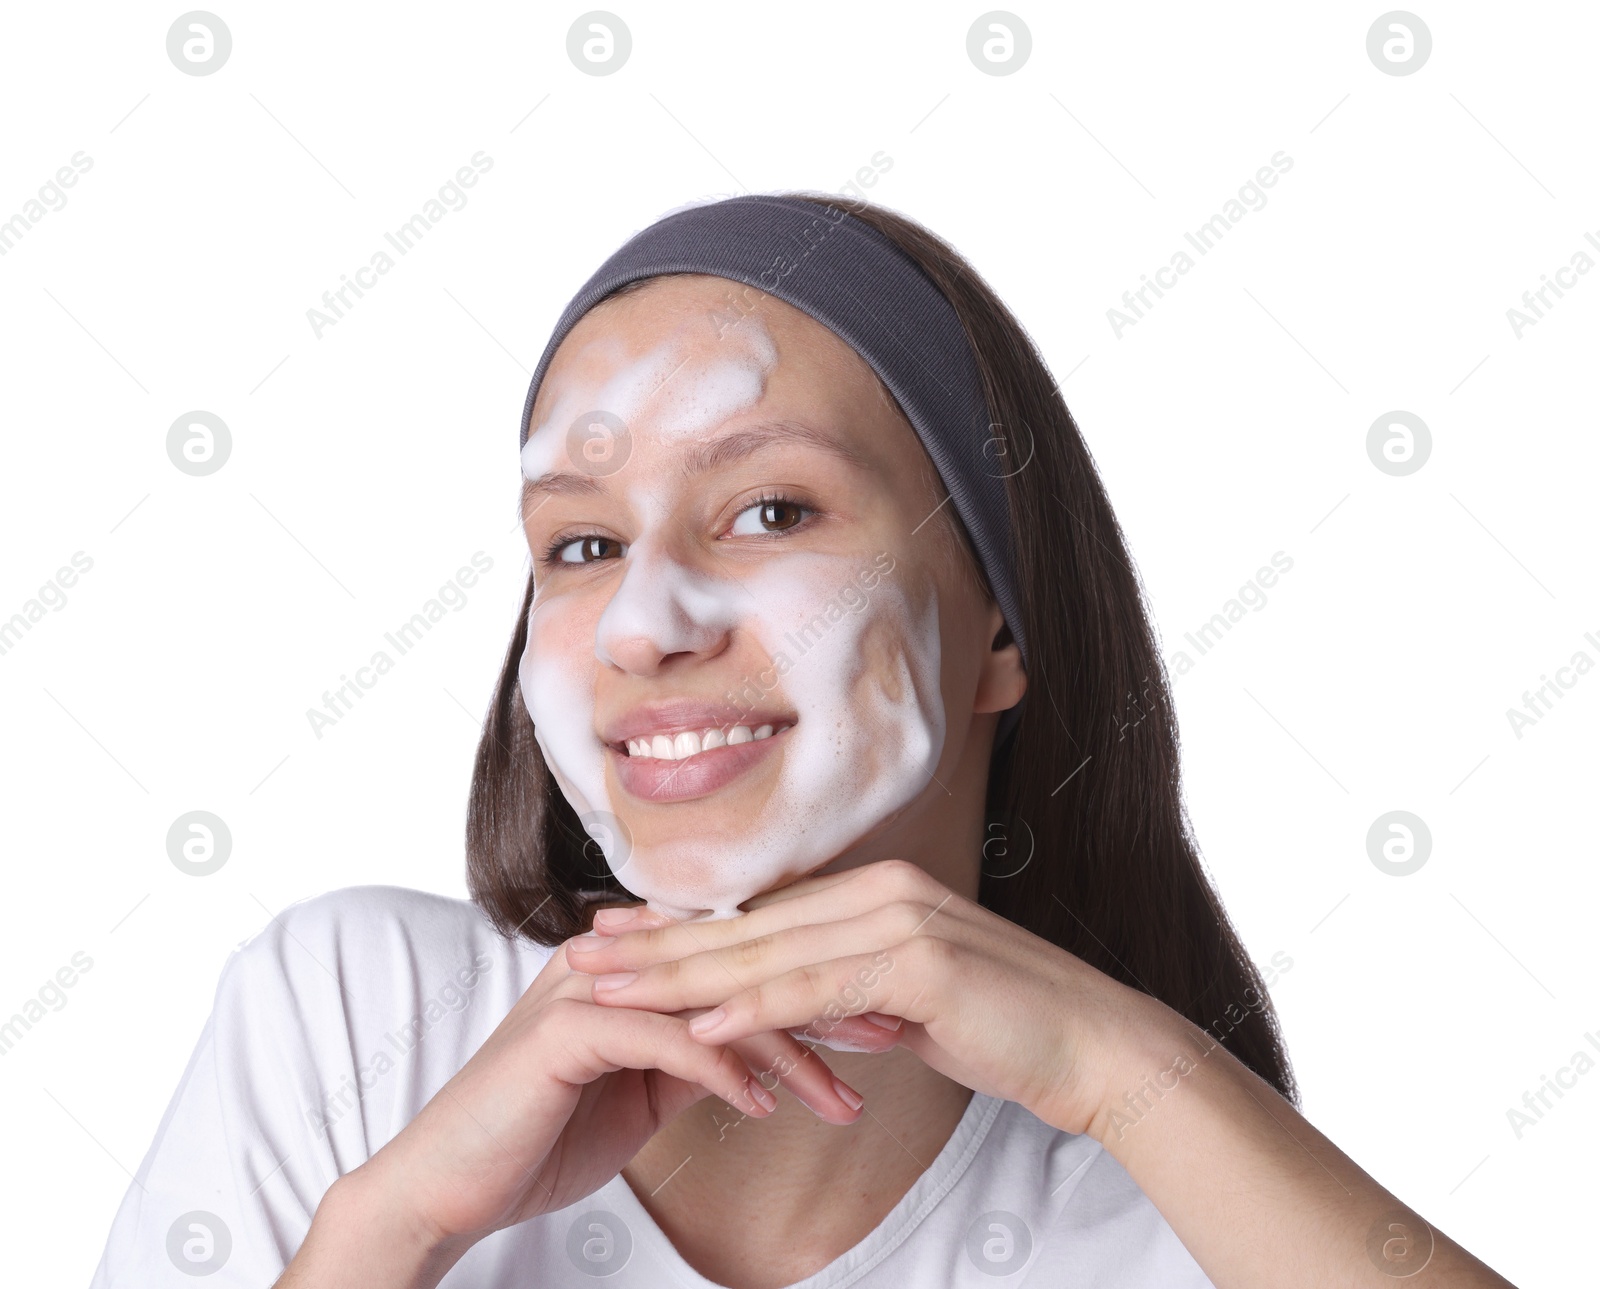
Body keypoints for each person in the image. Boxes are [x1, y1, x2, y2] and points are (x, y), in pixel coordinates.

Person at [89, 193, 1516, 1288]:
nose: (644, 621)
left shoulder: (1167, 1219)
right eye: (580, 543)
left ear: (1003, 628)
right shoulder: (352, 1020)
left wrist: (1105, 1060)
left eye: (772, 510)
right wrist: (395, 1218)